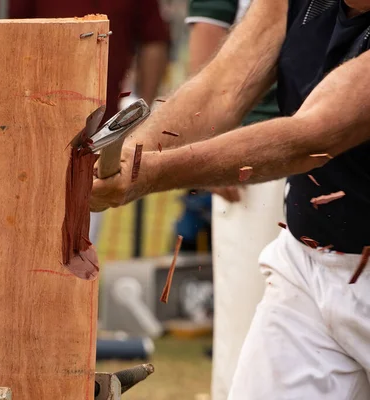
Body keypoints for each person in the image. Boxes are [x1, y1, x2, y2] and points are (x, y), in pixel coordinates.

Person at [91, 0, 370, 397]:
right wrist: (129, 156)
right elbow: (219, 89)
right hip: (309, 264)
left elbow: (314, 136)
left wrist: (144, 174)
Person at [0, 0, 171, 246]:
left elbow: (153, 41)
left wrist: (141, 111)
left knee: (76, 242)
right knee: (19, 234)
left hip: (97, 135)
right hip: (30, 127)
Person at [185, 0, 285, 398]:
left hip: (341, 141)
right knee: (247, 311)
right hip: (253, 148)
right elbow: (208, 36)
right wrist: (210, 142)